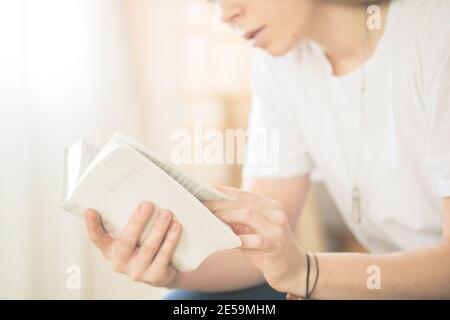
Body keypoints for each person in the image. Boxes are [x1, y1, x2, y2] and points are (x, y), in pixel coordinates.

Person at [84, 0, 450, 299]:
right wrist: (168, 266)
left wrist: (308, 272)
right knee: (187, 304)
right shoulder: (280, 65)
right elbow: (253, 251)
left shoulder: (435, 33)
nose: (224, 14)